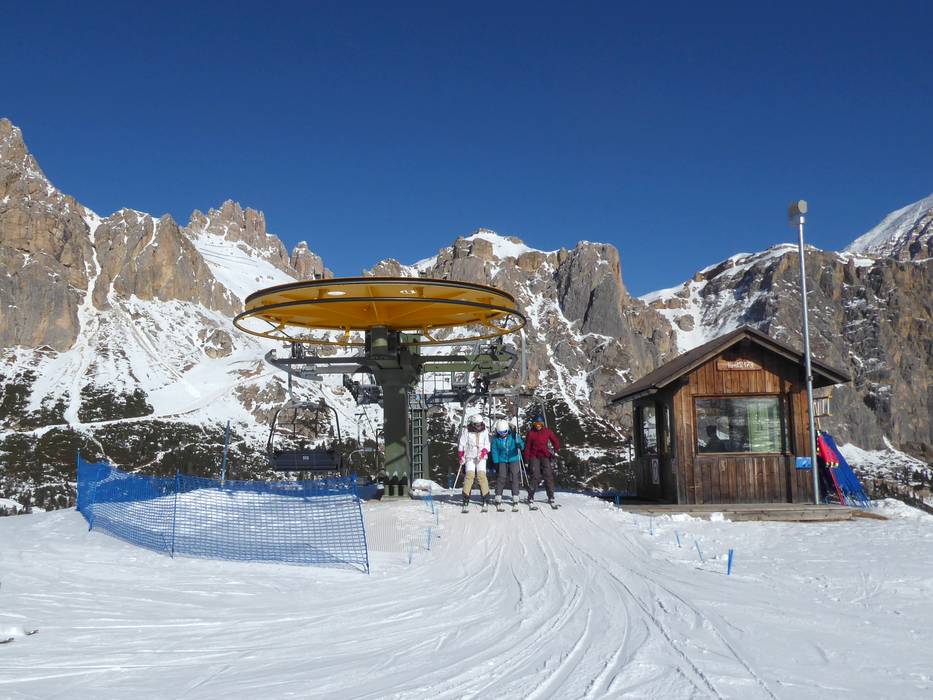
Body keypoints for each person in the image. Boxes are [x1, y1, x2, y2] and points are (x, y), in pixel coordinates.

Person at [523, 416, 561, 509]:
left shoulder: (547, 431)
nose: (538, 426)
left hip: (544, 455)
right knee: (535, 475)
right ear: (533, 424)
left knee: (548, 475)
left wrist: (557, 448)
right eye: (536, 424)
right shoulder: (531, 433)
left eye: (540, 424)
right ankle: (530, 496)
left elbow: (554, 440)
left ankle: (551, 496)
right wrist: (526, 459)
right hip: (534, 456)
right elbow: (527, 447)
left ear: (543, 424)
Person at [458, 414, 491, 512]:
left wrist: (484, 451)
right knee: (469, 475)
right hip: (470, 456)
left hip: (481, 456)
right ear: (473, 424)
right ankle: (465, 497)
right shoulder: (467, 431)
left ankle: (485, 497)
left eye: (480, 424)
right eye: (477, 424)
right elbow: (462, 443)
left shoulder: (484, 431)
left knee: (481, 476)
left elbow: (487, 444)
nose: (478, 426)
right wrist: (461, 455)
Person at [491, 419, 525, 511]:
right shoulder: (495, 439)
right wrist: (496, 462)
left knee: (514, 476)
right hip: (502, 459)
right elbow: (494, 451)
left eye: (504, 432)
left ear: (507, 430)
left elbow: (522, 445)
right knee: (501, 476)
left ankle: (515, 496)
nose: (502, 434)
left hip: (514, 458)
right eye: (500, 432)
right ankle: (498, 496)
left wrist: (519, 445)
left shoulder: (514, 436)